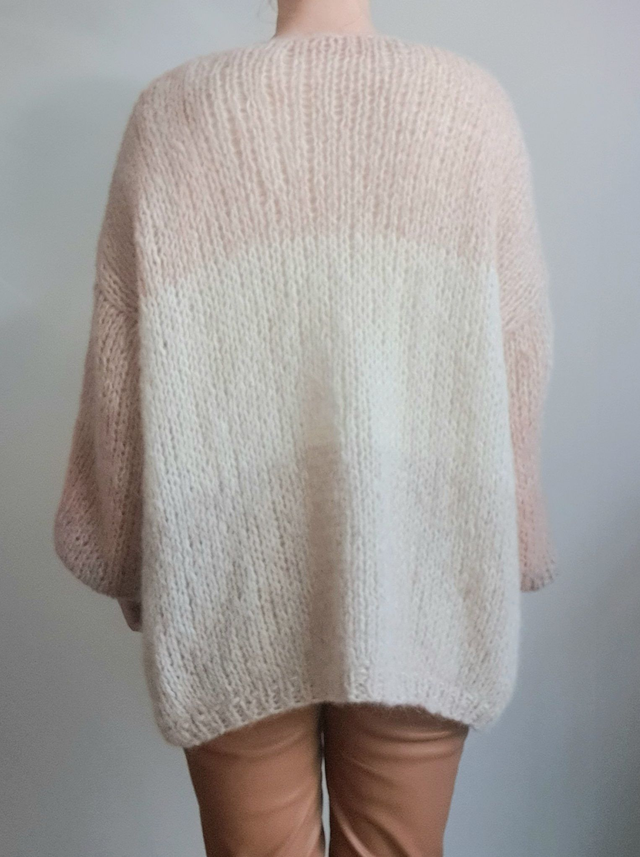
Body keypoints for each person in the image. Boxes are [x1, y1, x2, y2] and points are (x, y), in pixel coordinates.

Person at [52, 0, 558, 852]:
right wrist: (511, 541)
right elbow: (519, 355)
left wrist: (131, 561)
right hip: (425, 571)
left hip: (227, 576)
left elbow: (119, 372)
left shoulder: (173, 116)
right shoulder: (470, 109)